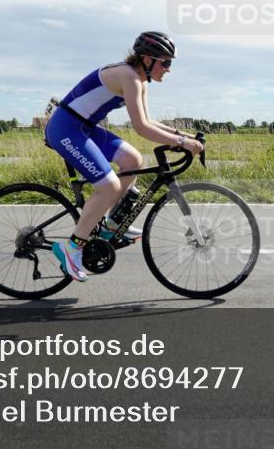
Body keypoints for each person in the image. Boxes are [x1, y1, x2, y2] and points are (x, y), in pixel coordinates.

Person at [45, 31, 203, 282]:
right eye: (166, 62)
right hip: (65, 129)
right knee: (109, 186)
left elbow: (149, 120)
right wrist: (182, 143)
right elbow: (140, 127)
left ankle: (110, 225)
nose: (169, 69)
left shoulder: (139, 79)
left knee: (133, 160)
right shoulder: (128, 76)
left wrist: (182, 135)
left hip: (83, 127)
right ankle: (72, 247)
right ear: (147, 59)